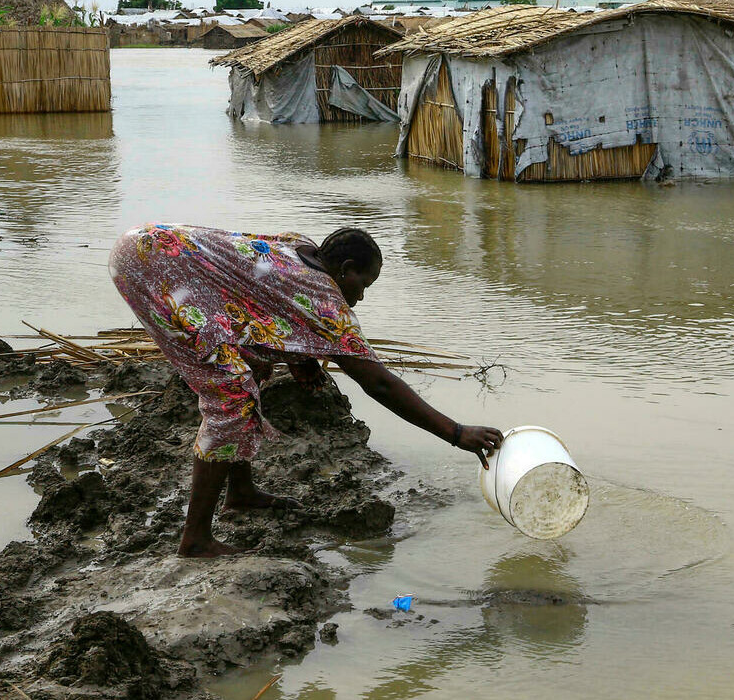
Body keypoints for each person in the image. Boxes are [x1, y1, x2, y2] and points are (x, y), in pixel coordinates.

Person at [109, 223, 503, 557]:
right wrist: (455, 432)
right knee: (230, 397)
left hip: (151, 245)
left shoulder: (301, 246)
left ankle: (241, 492)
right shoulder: (326, 302)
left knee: (254, 368)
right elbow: (379, 382)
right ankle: (196, 540)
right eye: (363, 284)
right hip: (151, 267)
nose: (361, 297)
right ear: (346, 270)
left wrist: (304, 358)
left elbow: (272, 294)